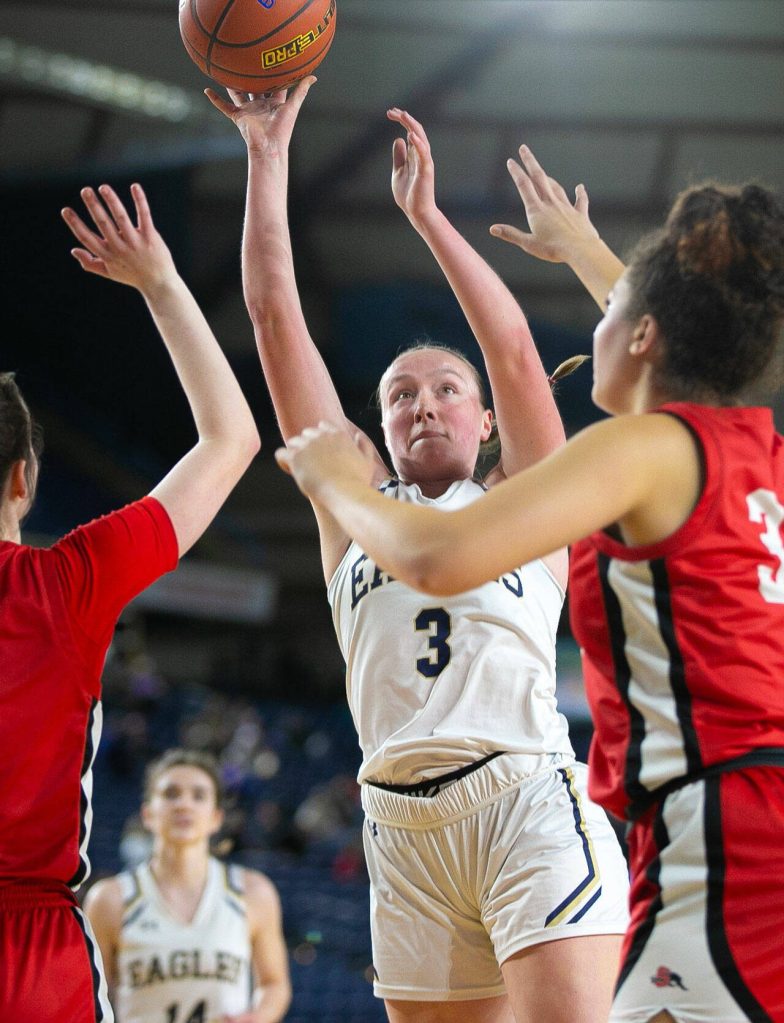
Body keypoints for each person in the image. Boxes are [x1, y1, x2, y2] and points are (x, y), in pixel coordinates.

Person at [276, 146, 784, 1023]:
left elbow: (436, 556)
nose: (587, 342)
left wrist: (336, 487)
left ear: (642, 335)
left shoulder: (638, 452)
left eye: (610, 310)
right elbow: (674, 336)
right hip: (723, 814)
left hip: (719, 820)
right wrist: (591, 253)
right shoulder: (750, 449)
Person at [206, 78, 629, 1023]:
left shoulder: (526, 497)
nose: (423, 402)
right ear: (378, 430)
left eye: (445, 388)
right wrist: (265, 160)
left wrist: (429, 218)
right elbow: (276, 320)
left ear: (485, 425)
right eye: (401, 394)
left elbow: (516, 352)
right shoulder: (349, 501)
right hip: (399, 825)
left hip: (523, 797)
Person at [0, 183, 260, 1023]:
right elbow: (232, 437)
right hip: (35, 954)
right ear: (25, 479)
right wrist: (159, 283)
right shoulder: (68, 580)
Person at [85, 749, 291, 1023]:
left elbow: (274, 983)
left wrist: (257, 1017)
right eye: (170, 794)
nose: (184, 804)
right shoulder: (109, 899)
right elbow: (89, 998)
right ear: (148, 814)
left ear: (216, 817)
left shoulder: (254, 892)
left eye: (198, 795)